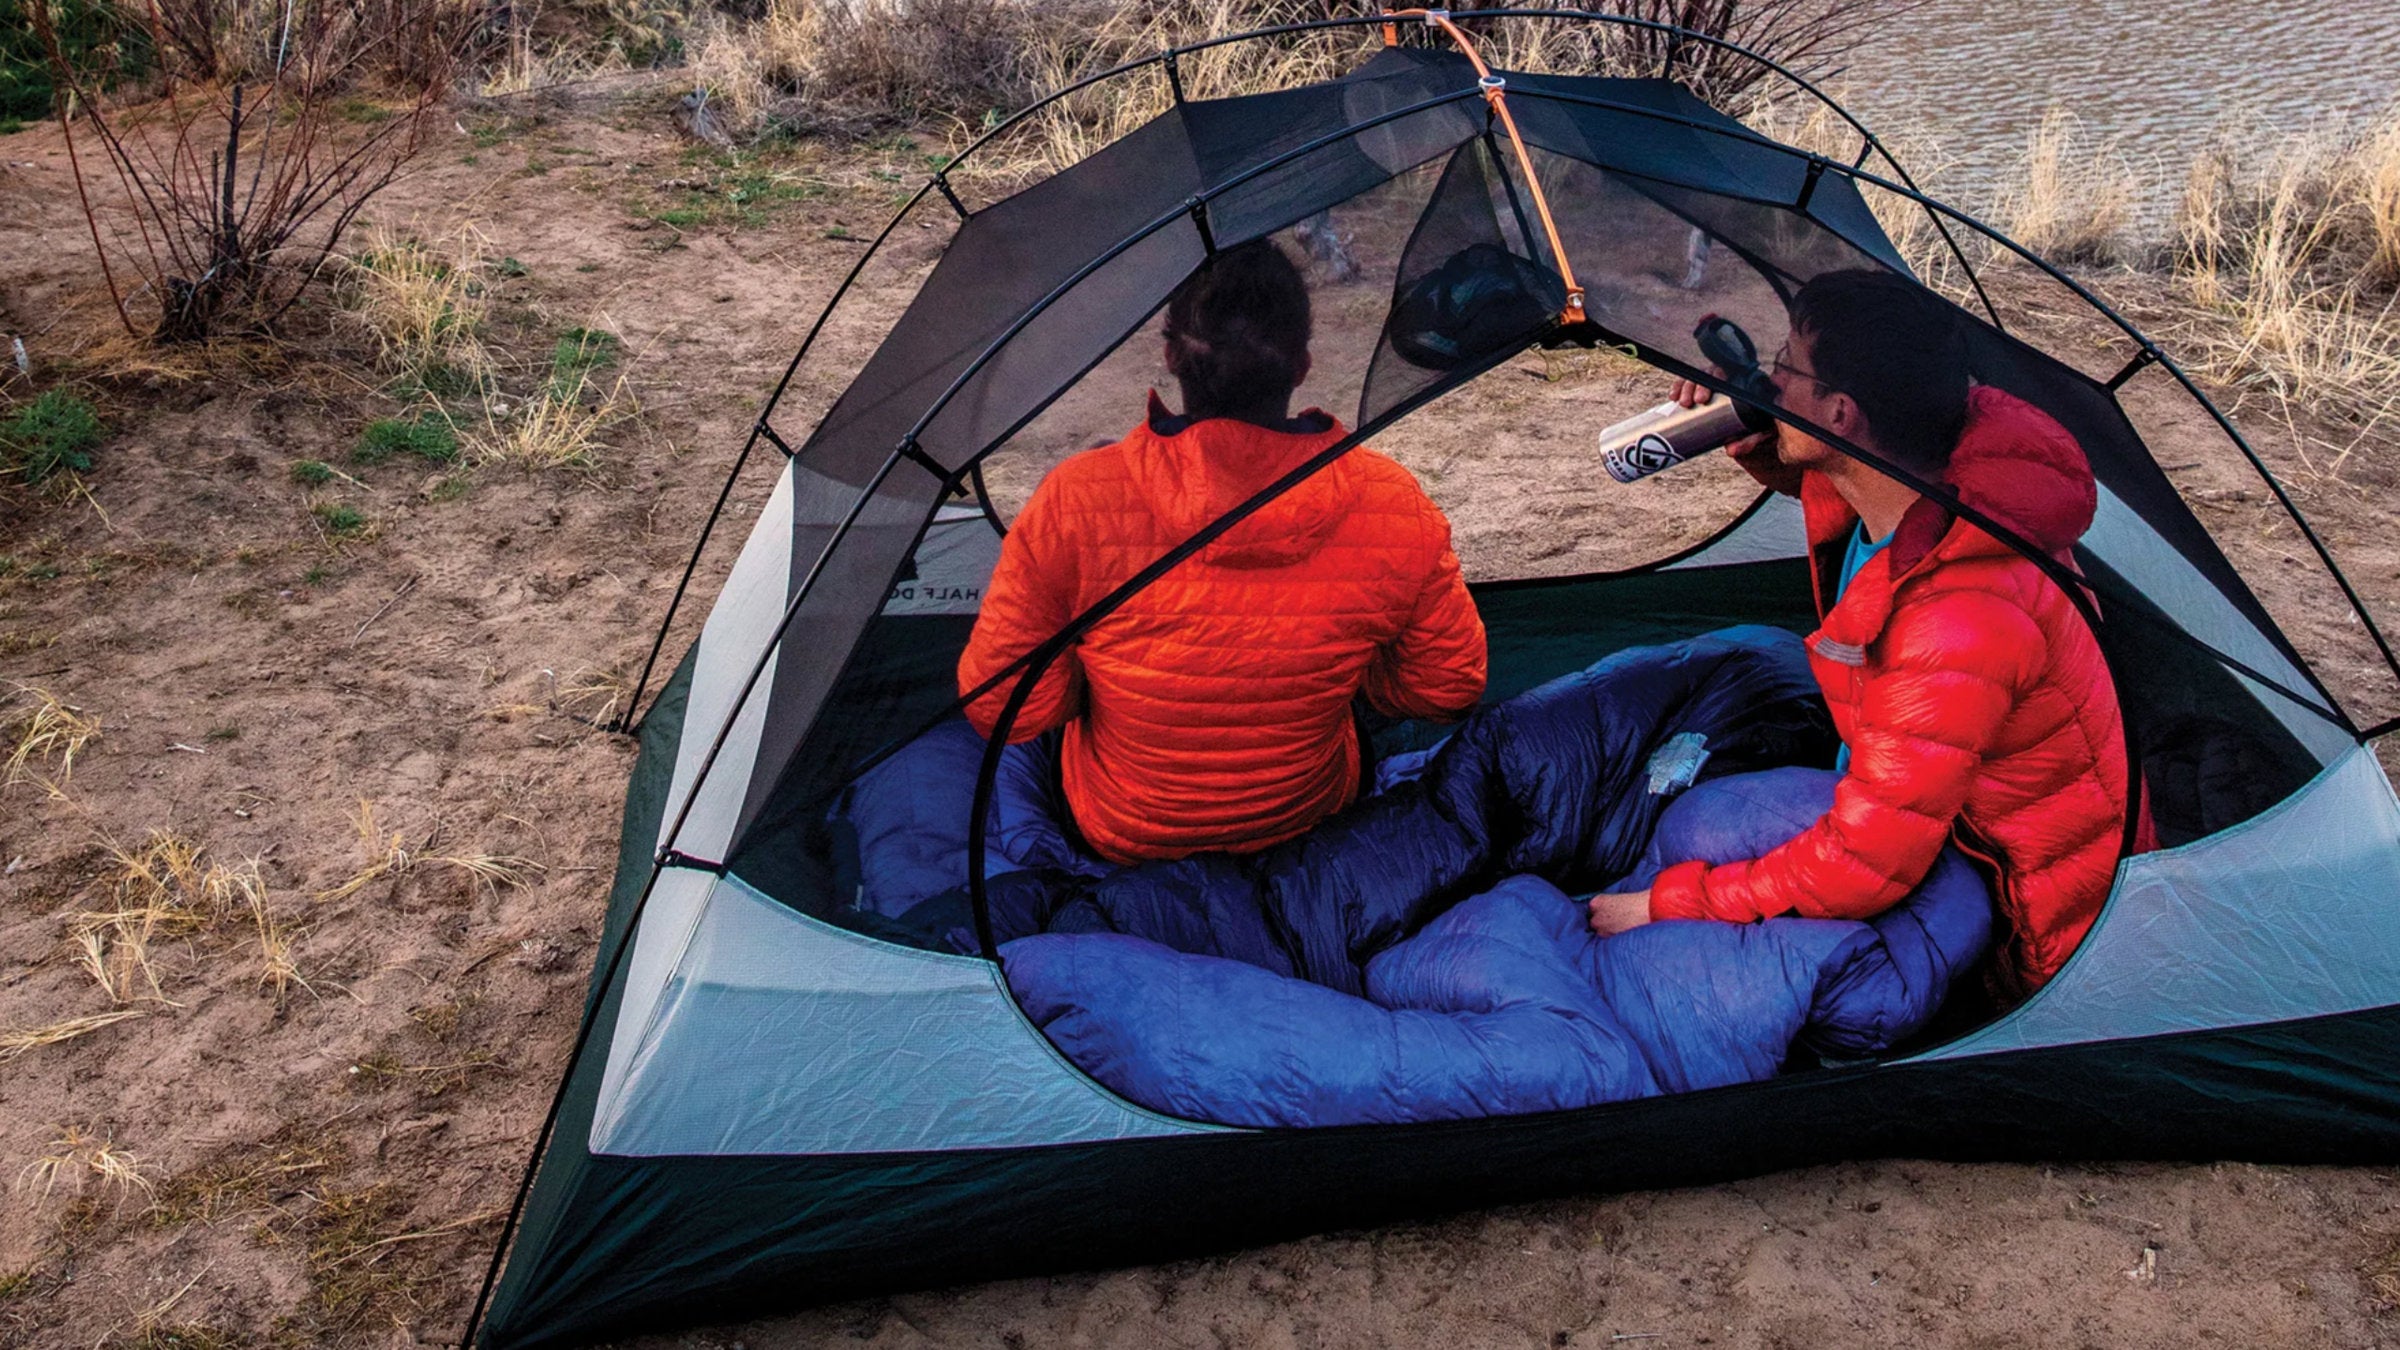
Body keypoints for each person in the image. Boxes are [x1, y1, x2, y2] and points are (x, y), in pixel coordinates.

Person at [1586, 269, 2133, 1000]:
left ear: (1841, 415)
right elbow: (1831, 486)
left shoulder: (1958, 620)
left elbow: (1866, 863)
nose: (1768, 381)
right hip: (1913, 799)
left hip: (2017, 926)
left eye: (1786, 368)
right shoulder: (1931, 477)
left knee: (1694, 875)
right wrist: (1760, 434)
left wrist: (1665, 906)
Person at [958, 240, 1487, 866]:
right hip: (1305, 817)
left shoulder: (1076, 499)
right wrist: (1330, 665)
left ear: (1171, 355)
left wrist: (1114, 681)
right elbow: (1447, 687)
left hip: (1127, 834)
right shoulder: (1388, 499)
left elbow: (1001, 708)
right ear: (1302, 365)